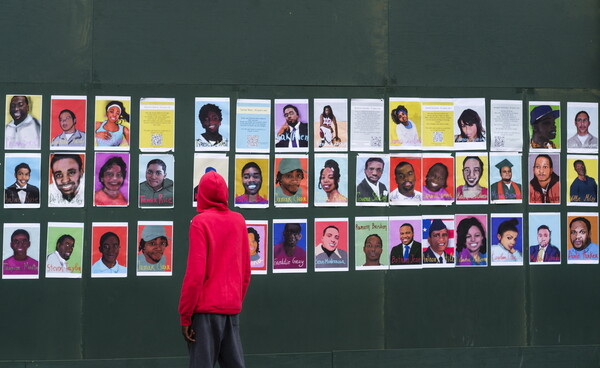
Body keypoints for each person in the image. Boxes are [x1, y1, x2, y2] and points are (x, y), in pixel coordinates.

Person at [179, 171, 250, 367]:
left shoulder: (200, 223)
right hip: (231, 309)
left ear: (201, 194)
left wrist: (185, 315)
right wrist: (235, 300)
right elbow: (245, 272)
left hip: (205, 312)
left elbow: (195, 274)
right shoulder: (238, 221)